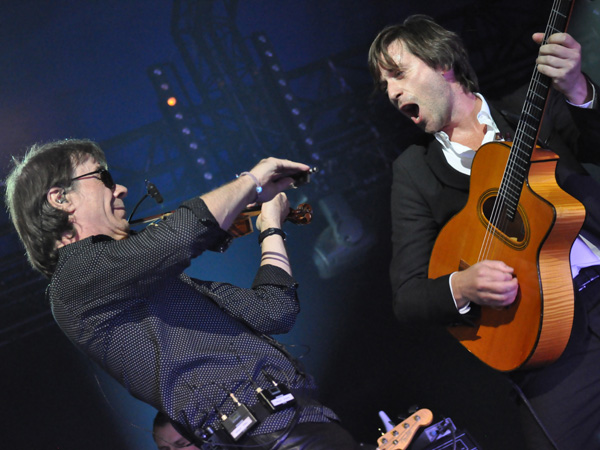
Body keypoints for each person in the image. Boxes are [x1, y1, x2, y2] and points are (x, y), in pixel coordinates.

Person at [4, 139, 373, 450]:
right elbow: (181, 234)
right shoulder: (74, 281)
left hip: (303, 418)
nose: (120, 188)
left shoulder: (159, 285)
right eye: (103, 177)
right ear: (60, 198)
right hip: (262, 437)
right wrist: (253, 178)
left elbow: (274, 312)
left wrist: (271, 228)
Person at [369, 14, 600, 450]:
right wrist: (463, 285)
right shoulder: (415, 172)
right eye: (385, 86)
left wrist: (578, 91)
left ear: (442, 63)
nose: (393, 92)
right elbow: (409, 295)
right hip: (545, 337)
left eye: (398, 74)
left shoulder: (531, 109)